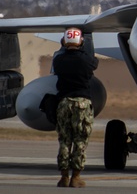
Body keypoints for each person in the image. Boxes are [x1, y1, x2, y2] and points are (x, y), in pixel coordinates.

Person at [52, 27, 98, 188]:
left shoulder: (58, 61)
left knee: (64, 140)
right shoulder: (86, 61)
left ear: (64, 41)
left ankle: (63, 177)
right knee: (80, 140)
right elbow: (94, 63)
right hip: (82, 104)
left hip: (64, 102)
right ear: (81, 42)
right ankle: (76, 177)